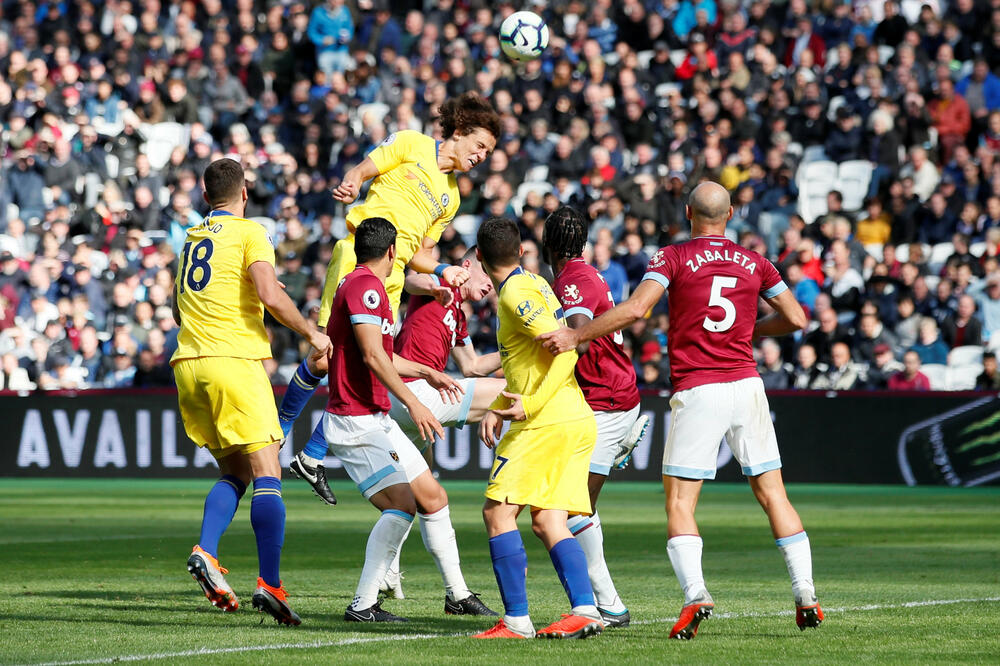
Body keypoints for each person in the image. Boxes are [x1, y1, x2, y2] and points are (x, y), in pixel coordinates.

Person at [538, 182, 822, 639]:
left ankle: (696, 594)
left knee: (680, 501)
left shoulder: (673, 257)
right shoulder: (755, 261)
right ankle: (805, 591)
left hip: (700, 388)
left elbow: (636, 309)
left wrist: (575, 334)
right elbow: (796, 318)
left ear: (688, 213)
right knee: (774, 495)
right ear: (731, 214)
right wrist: (746, 332)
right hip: (748, 386)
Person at [277, 92, 500, 483]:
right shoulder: (412, 143)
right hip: (359, 259)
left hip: (392, 279)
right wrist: (351, 184)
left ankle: (311, 455)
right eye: (480, 145)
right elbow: (362, 170)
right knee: (326, 355)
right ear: (460, 131)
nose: (482, 156)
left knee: (367, 364)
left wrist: (443, 269)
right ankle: (280, 427)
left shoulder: (451, 198)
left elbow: (420, 254)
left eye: (488, 152)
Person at [173, 159, 332, 626]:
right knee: (268, 471)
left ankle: (207, 551)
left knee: (237, 471)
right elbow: (269, 293)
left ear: (207, 197)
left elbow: (182, 305)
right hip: (233, 362)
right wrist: (312, 333)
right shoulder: (251, 232)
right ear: (244, 194)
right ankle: (270, 584)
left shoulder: (191, 238)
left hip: (189, 364)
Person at [321, 218, 492, 622]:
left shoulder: (371, 287)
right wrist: (414, 403)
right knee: (401, 505)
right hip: (354, 418)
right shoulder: (365, 287)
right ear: (393, 252)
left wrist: (427, 371)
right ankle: (363, 603)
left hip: (376, 416)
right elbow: (372, 356)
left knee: (433, 497)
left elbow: (384, 354)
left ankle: (457, 595)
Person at [473, 216, 603, 640]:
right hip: (573, 415)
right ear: (522, 251)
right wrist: (498, 405)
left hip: (546, 421)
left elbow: (566, 351)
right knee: (549, 521)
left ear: (479, 256)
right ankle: (585, 610)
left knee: (497, 512)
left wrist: (528, 404)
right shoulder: (536, 282)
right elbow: (528, 361)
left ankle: (516, 620)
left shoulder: (515, 294)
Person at [541, 205, 653, 628]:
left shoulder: (572, 281)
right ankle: (605, 602)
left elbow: (580, 337)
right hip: (609, 396)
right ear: (584, 243)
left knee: (572, 509)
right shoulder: (587, 274)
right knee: (571, 505)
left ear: (547, 245)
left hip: (605, 402)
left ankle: (609, 605)